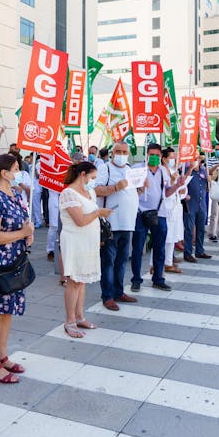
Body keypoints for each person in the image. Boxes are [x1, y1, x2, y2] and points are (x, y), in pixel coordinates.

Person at [0, 154, 33, 384]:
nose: (18, 173)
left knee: (8, 310)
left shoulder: (16, 194)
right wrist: (21, 234)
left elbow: (22, 223)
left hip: (17, 259)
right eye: (15, 169)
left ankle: (2, 356)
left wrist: (27, 234)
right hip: (1, 262)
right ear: (4, 173)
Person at [59, 161, 112, 336]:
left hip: (88, 241)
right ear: (82, 175)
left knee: (81, 282)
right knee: (73, 281)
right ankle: (69, 320)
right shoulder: (68, 193)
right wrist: (98, 213)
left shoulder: (89, 191)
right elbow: (80, 220)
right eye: (92, 177)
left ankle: (80, 316)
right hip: (74, 241)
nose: (94, 182)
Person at [130, 143, 186, 293]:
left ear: (161, 156)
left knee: (160, 247)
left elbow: (167, 192)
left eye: (157, 155)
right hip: (140, 213)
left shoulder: (163, 171)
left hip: (159, 213)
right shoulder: (137, 169)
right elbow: (129, 192)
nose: (154, 157)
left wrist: (177, 186)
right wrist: (140, 187)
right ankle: (136, 280)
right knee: (137, 248)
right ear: (146, 155)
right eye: (151, 154)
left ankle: (158, 279)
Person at [95, 141, 139, 311]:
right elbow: (97, 190)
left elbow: (132, 193)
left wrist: (141, 189)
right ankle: (107, 296)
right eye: (118, 151)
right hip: (111, 224)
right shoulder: (105, 169)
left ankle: (119, 291)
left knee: (121, 261)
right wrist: (115, 187)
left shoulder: (129, 169)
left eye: (124, 152)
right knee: (108, 261)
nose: (121, 154)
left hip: (127, 223)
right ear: (112, 153)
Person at [182, 156, 211, 262]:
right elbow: (183, 182)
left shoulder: (203, 170)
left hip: (201, 203)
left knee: (201, 229)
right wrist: (190, 168)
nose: (196, 160)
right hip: (190, 204)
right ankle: (188, 253)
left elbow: (207, 188)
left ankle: (200, 250)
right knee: (189, 229)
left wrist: (209, 181)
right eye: (194, 158)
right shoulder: (186, 170)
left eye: (198, 158)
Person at [161, 147, 185, 273]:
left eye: (175, 158)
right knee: (165, 237)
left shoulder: (173, 170)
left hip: (175, 205)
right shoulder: (162, 171)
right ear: (164, 159)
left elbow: (179, 190)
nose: (174, 161)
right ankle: (159, 264)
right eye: (171, 158)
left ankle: (168, 262)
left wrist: (181, 189)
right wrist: (173, 181)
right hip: (166, 207)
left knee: (172, 237)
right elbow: (165, 190)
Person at [205, 143, 219, 241]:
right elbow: (208, 171)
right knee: (214, 211)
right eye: (216, 149)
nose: (217, 151)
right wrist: (217, 165)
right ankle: (212, 232)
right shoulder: (211, 160)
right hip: (215, 187)